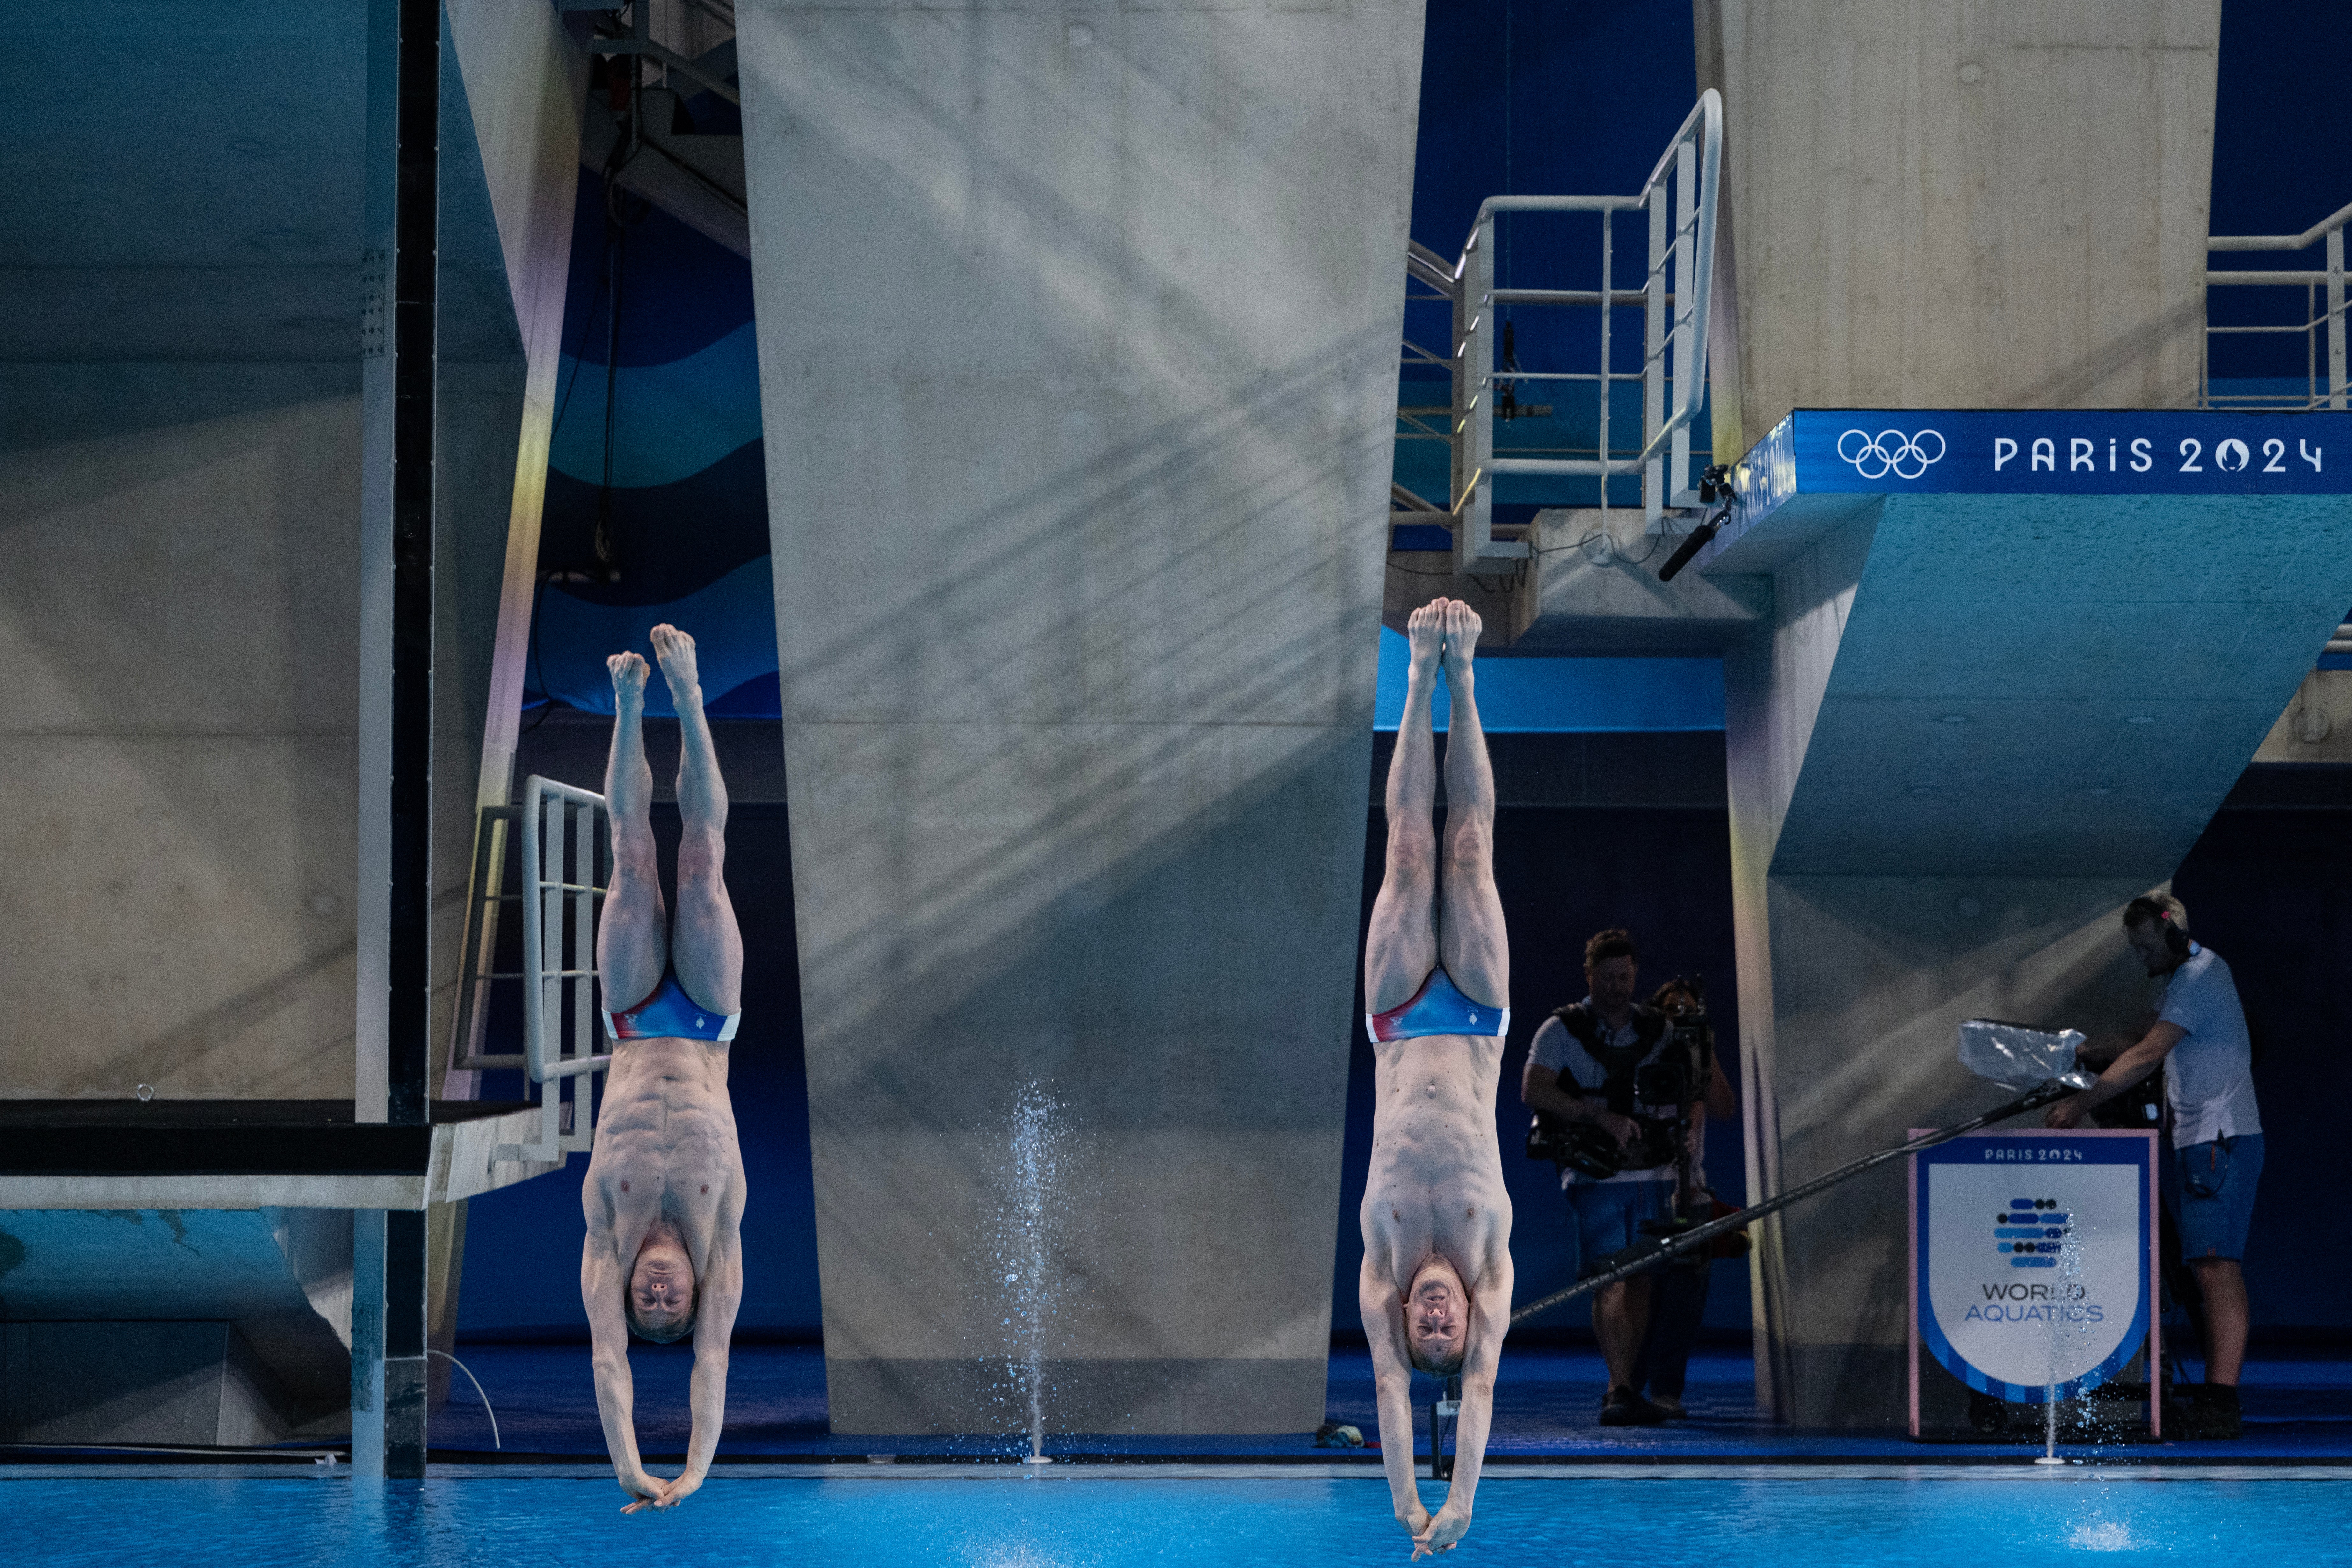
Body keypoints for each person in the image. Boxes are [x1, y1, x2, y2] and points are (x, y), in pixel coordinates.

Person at [1360, 598, 1515, 1558]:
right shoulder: (1487, 1267)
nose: (1429, 1319)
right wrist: (1456, 1502)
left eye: (1421, 1332)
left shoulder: (1382, 1271)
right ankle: (1467, 676)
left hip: (1396, 1023)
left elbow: (1385, 1390)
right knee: (1468, 848)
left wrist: (1401, 1503)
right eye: (1441, 1333)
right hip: (1477, 1021)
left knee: (1411, 849)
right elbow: (1484, 1391)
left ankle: (1418, 675)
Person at [581, 624, 749, 1509]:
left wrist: (625, 1466)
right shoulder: (718, 1244)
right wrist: (689, 1470)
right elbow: (712, 1362)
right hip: (710, 1024)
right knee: (703, 861)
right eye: (666, 1307)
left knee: (634, 853)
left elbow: (609, 1359)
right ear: (689, 1295)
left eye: (646, 1304)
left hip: (637, 1022)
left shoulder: (607, 1243)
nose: (651, 1295)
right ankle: (688, 695)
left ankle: (631, 702)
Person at [2045, 893, 2261, 1440]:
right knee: (2208, 1268)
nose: (2140, 959)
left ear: (2170, 933)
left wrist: (2082, 1102)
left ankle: (2222, 1402)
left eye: (2144, 948)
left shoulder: (2200, 977)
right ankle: (2218, 1397)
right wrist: (2079, 1052)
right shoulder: (2189, 981)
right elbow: (2138, 1040)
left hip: (2219, 1141)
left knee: (2217, 1268)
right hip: (2204, 1142)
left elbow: (2146, 1055)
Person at [1518, 930, 1698, 1425]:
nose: (1618, 987)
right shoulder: (1561, 1029)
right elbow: (1534, 1089)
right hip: (1595, 1172)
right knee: (1609, 1279)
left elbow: (1688, 1089)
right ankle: (1619, 1385)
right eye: (1608, 978)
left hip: (1652, 1169)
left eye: (1625, 977)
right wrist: (1596, 1115)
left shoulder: (1657, 1030)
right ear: (1590, 975)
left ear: (1636, 975)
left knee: (1639, 1278)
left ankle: (1623, 1386)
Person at [1625, 976, 1739, 1419]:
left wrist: (1703, 1053)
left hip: (1691, 1193)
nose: (1680, 1021)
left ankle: (1667, 1391)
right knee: (1641, 1295)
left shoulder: (1699, 1060)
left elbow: (1725, 1108)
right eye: (1672, 1012)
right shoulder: (1641, 1053)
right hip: (1647, 1189)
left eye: (1688, 1013)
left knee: (1684, 1302)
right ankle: (1627, 1387)